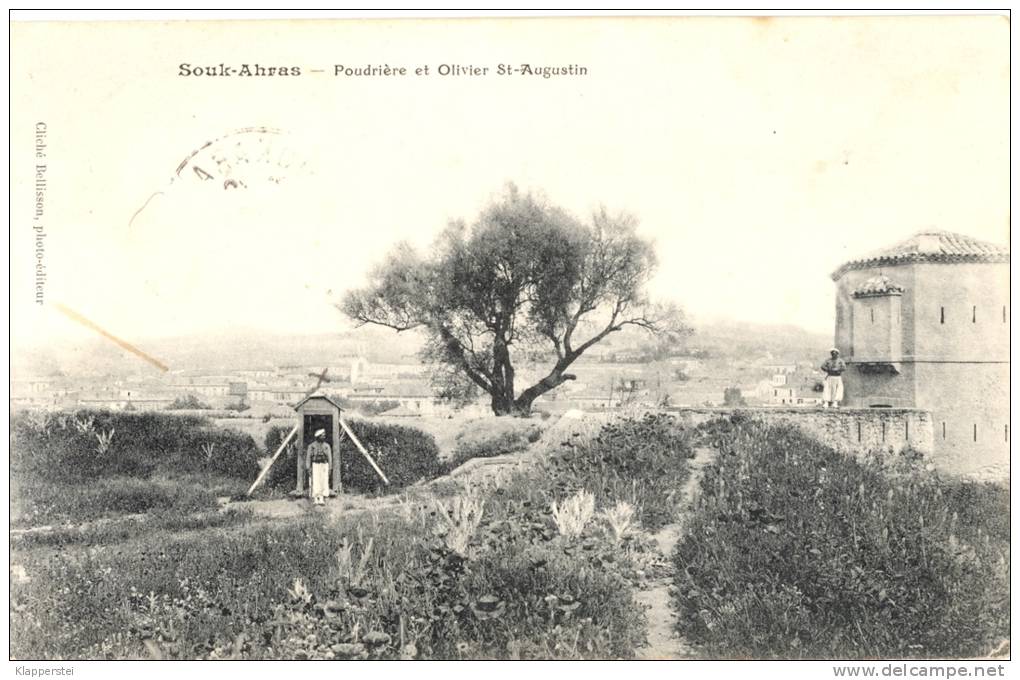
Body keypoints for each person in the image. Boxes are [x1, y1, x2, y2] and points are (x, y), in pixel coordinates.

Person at [305, 429, 332, 505]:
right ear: (318, 437)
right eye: (322, 435)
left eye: (324, 435)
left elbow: (330, 457)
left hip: (324, 465)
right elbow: (308, 457)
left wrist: (330, 467)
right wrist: (308, 468)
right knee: (316, 481)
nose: (324, 436)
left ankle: (322, 498)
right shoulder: (312, 446)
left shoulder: (327, 446)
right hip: (315, 465)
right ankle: (316, 498)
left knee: (324, 480)